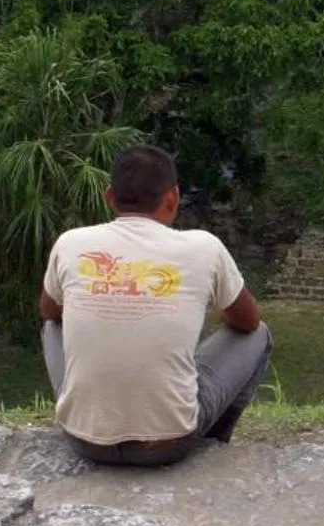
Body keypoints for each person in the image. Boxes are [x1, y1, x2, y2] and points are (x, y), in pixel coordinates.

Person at [38, 145, 271, 466]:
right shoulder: (204, 247)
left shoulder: (70, 242)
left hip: (84, 440)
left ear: (109, 197)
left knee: (52, 325)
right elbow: (249, 322)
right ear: (173, 197)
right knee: (259, 335)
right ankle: (213, 440)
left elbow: (50, 312)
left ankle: (87, 408)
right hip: (168, 445)